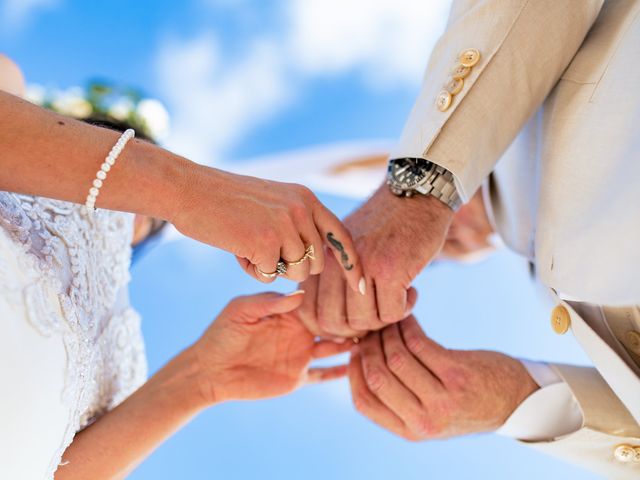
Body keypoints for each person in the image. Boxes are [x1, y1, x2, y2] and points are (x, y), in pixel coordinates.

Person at [298, 0, 640, 477]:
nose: (432, 250)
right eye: (437, 260)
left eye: (370, 215)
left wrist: (418, 189)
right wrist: (516, 399)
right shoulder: (548, 271)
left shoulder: (522, 115)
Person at [0, 55, 356, 479]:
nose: (128, 217)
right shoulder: (9, 82)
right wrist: (189, 190)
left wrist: (205, 377)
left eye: (147, 224)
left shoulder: (115, 333)